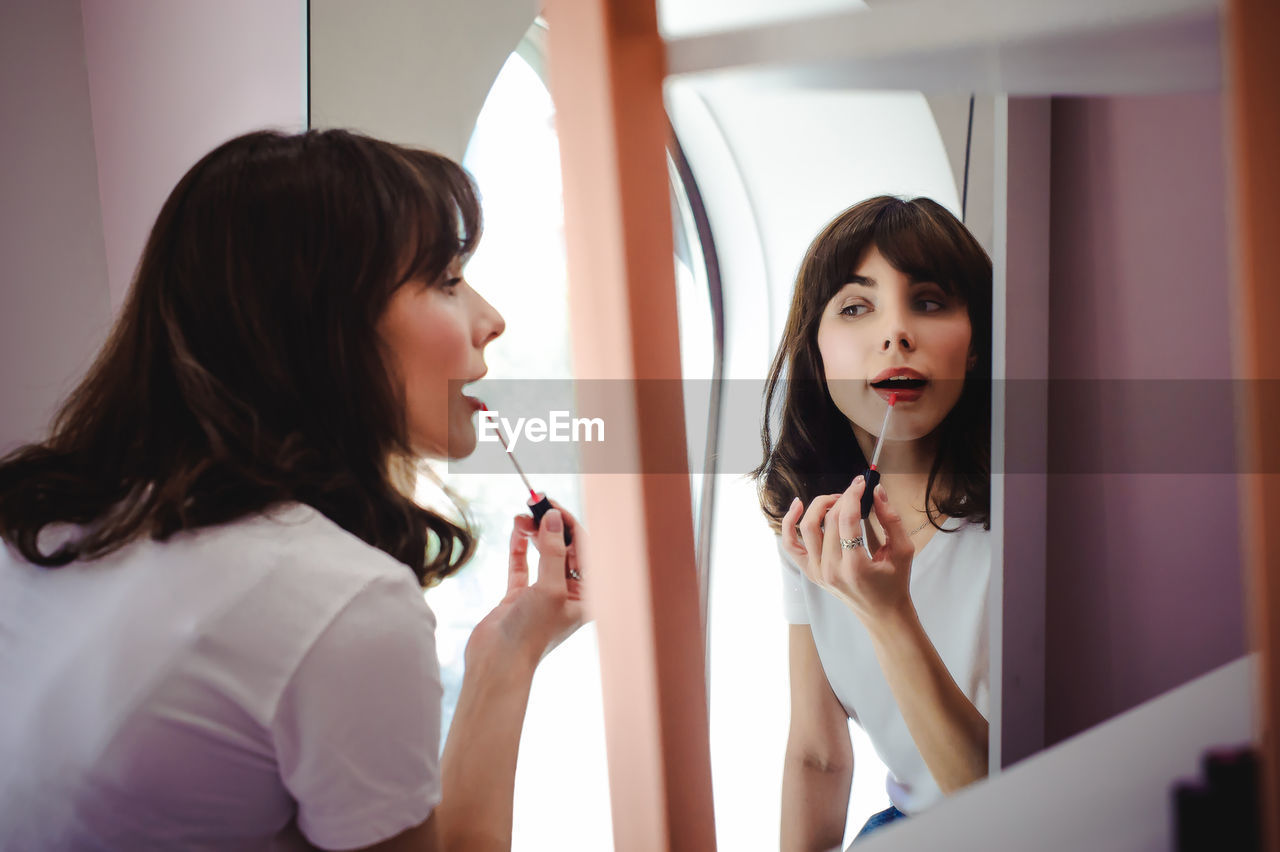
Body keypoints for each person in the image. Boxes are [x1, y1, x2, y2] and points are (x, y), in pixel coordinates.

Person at [0, 128, 588, 851]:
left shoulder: (46, 529)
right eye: (446, 280)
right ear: (324, 319)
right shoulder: (338, 599)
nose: (492, 321)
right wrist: (512, 656)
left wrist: (507, 645)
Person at [751, 196, 993, 848]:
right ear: (816, 350)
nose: (896, 334)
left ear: (975, 347)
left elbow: (1000, 800)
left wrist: (889, 615)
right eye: (856, 307)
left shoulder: (1025, 524)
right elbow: (818, 755)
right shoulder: (808, 527)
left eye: (931, 301)